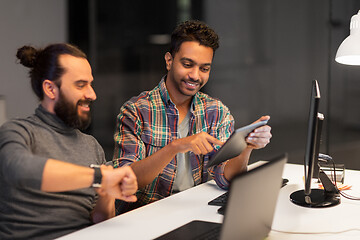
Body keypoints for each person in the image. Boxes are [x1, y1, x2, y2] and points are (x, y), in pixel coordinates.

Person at [113, 20, 272, 214]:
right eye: (187, 64)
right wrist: (176, 146)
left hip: (196, 213)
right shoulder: (136, 111)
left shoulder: (217, 112)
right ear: (169, 61)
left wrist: (246, 147)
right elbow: (126, 180)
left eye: (204, 68)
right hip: (146, 216)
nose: (195, 76)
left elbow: (224, 178)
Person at [0, 43, 138, 239]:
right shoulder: (18, 131)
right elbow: (20, 169)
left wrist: (108, 192)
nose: (92, 94)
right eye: (81, 85)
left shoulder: (91, 146)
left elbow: (100, 219)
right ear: (50, 89)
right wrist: (100, 177)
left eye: (91, 84)